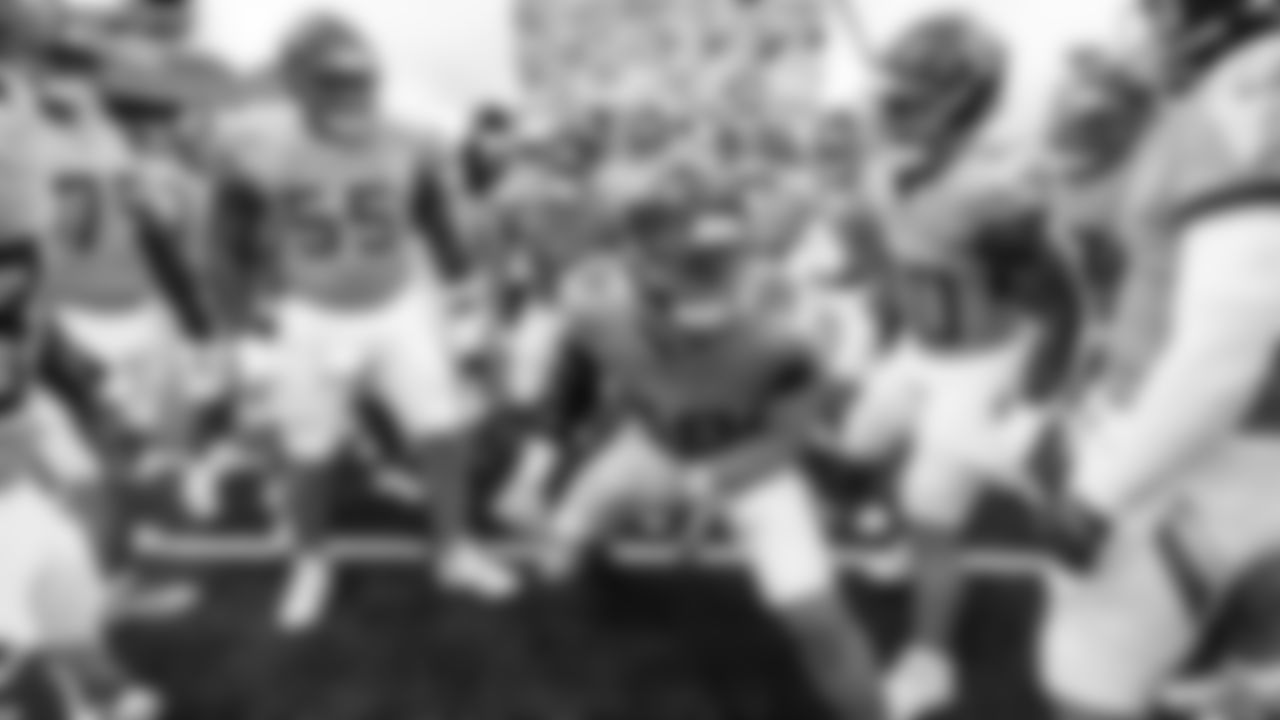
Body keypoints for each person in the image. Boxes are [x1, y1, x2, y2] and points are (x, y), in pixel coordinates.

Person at [207, 13, 517, 632]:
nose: (353, 94)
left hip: (398, 307)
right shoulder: (253, 146)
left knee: (443, 431)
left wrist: (463, 306)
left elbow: (437, 221)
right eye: (333, 82)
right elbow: (228, 245)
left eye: (362, 80)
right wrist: (237, 331)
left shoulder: (412, 137)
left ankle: (453, 548)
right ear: (297, 84)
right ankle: (310, 559)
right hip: (307, 315)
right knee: (307, 452)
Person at [1028, 0, 1280, 718]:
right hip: (1228, 458)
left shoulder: (1254, 86)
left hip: (1207, 471)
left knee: (1088, 690)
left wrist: (1097, 498)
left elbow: (1225, 348)